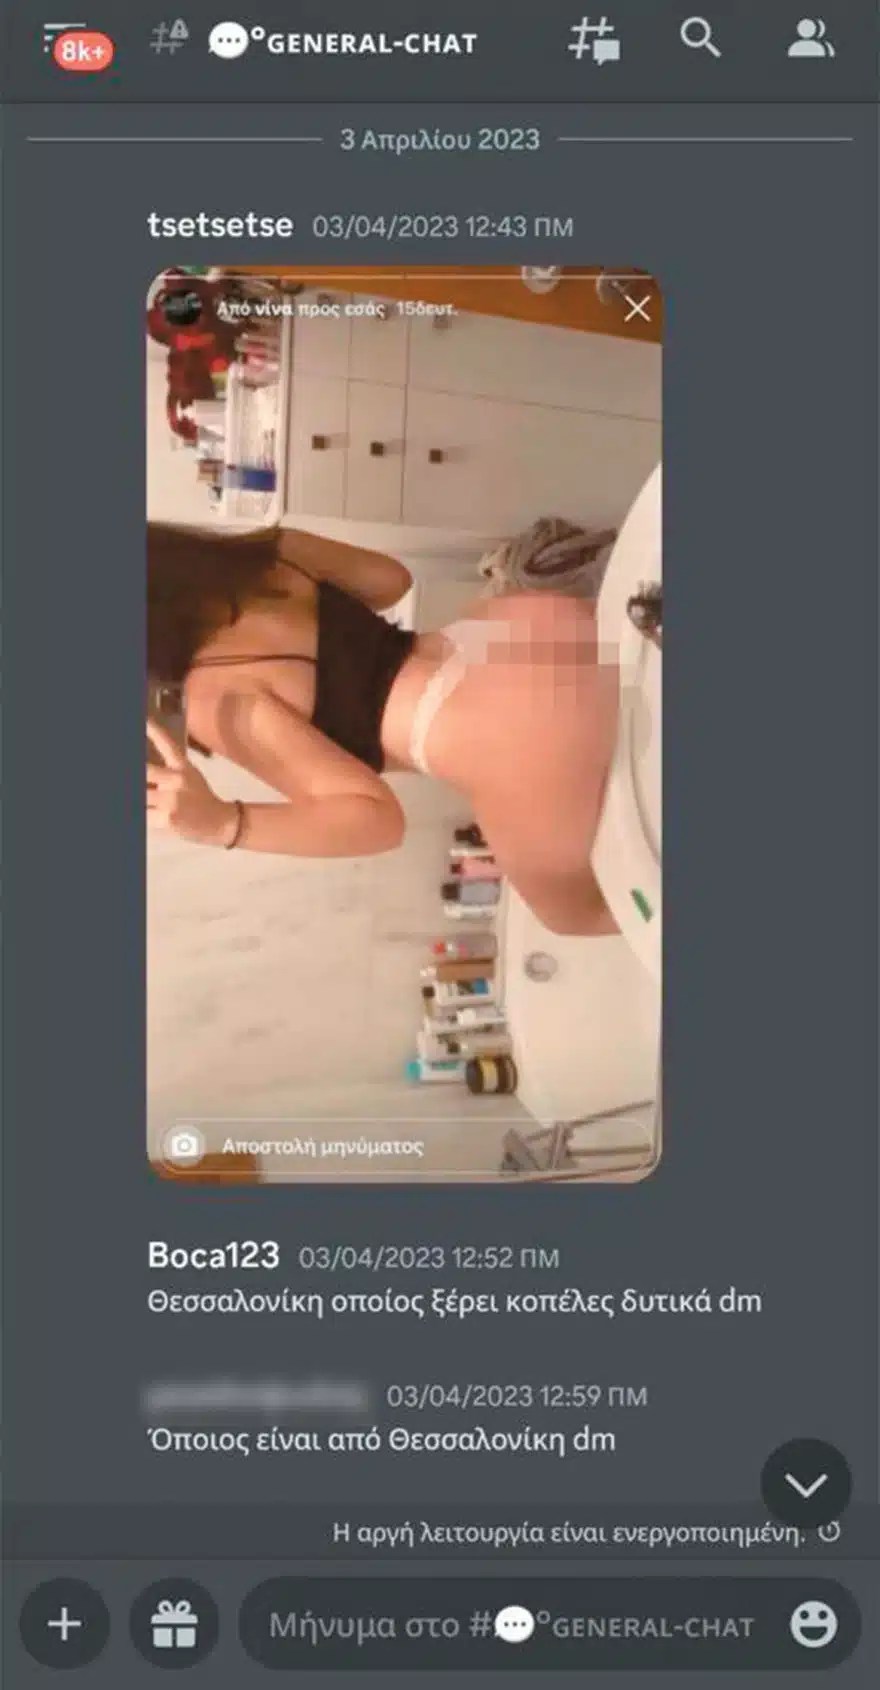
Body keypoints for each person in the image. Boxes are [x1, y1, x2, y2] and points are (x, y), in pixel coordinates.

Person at [146, 522, 620, 936]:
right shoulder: (264, 556)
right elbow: (390, 581)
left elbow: (376, 821)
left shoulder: (215, 701)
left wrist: (223, 824)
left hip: (499, 731)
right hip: (520, 627)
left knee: (576, 917)